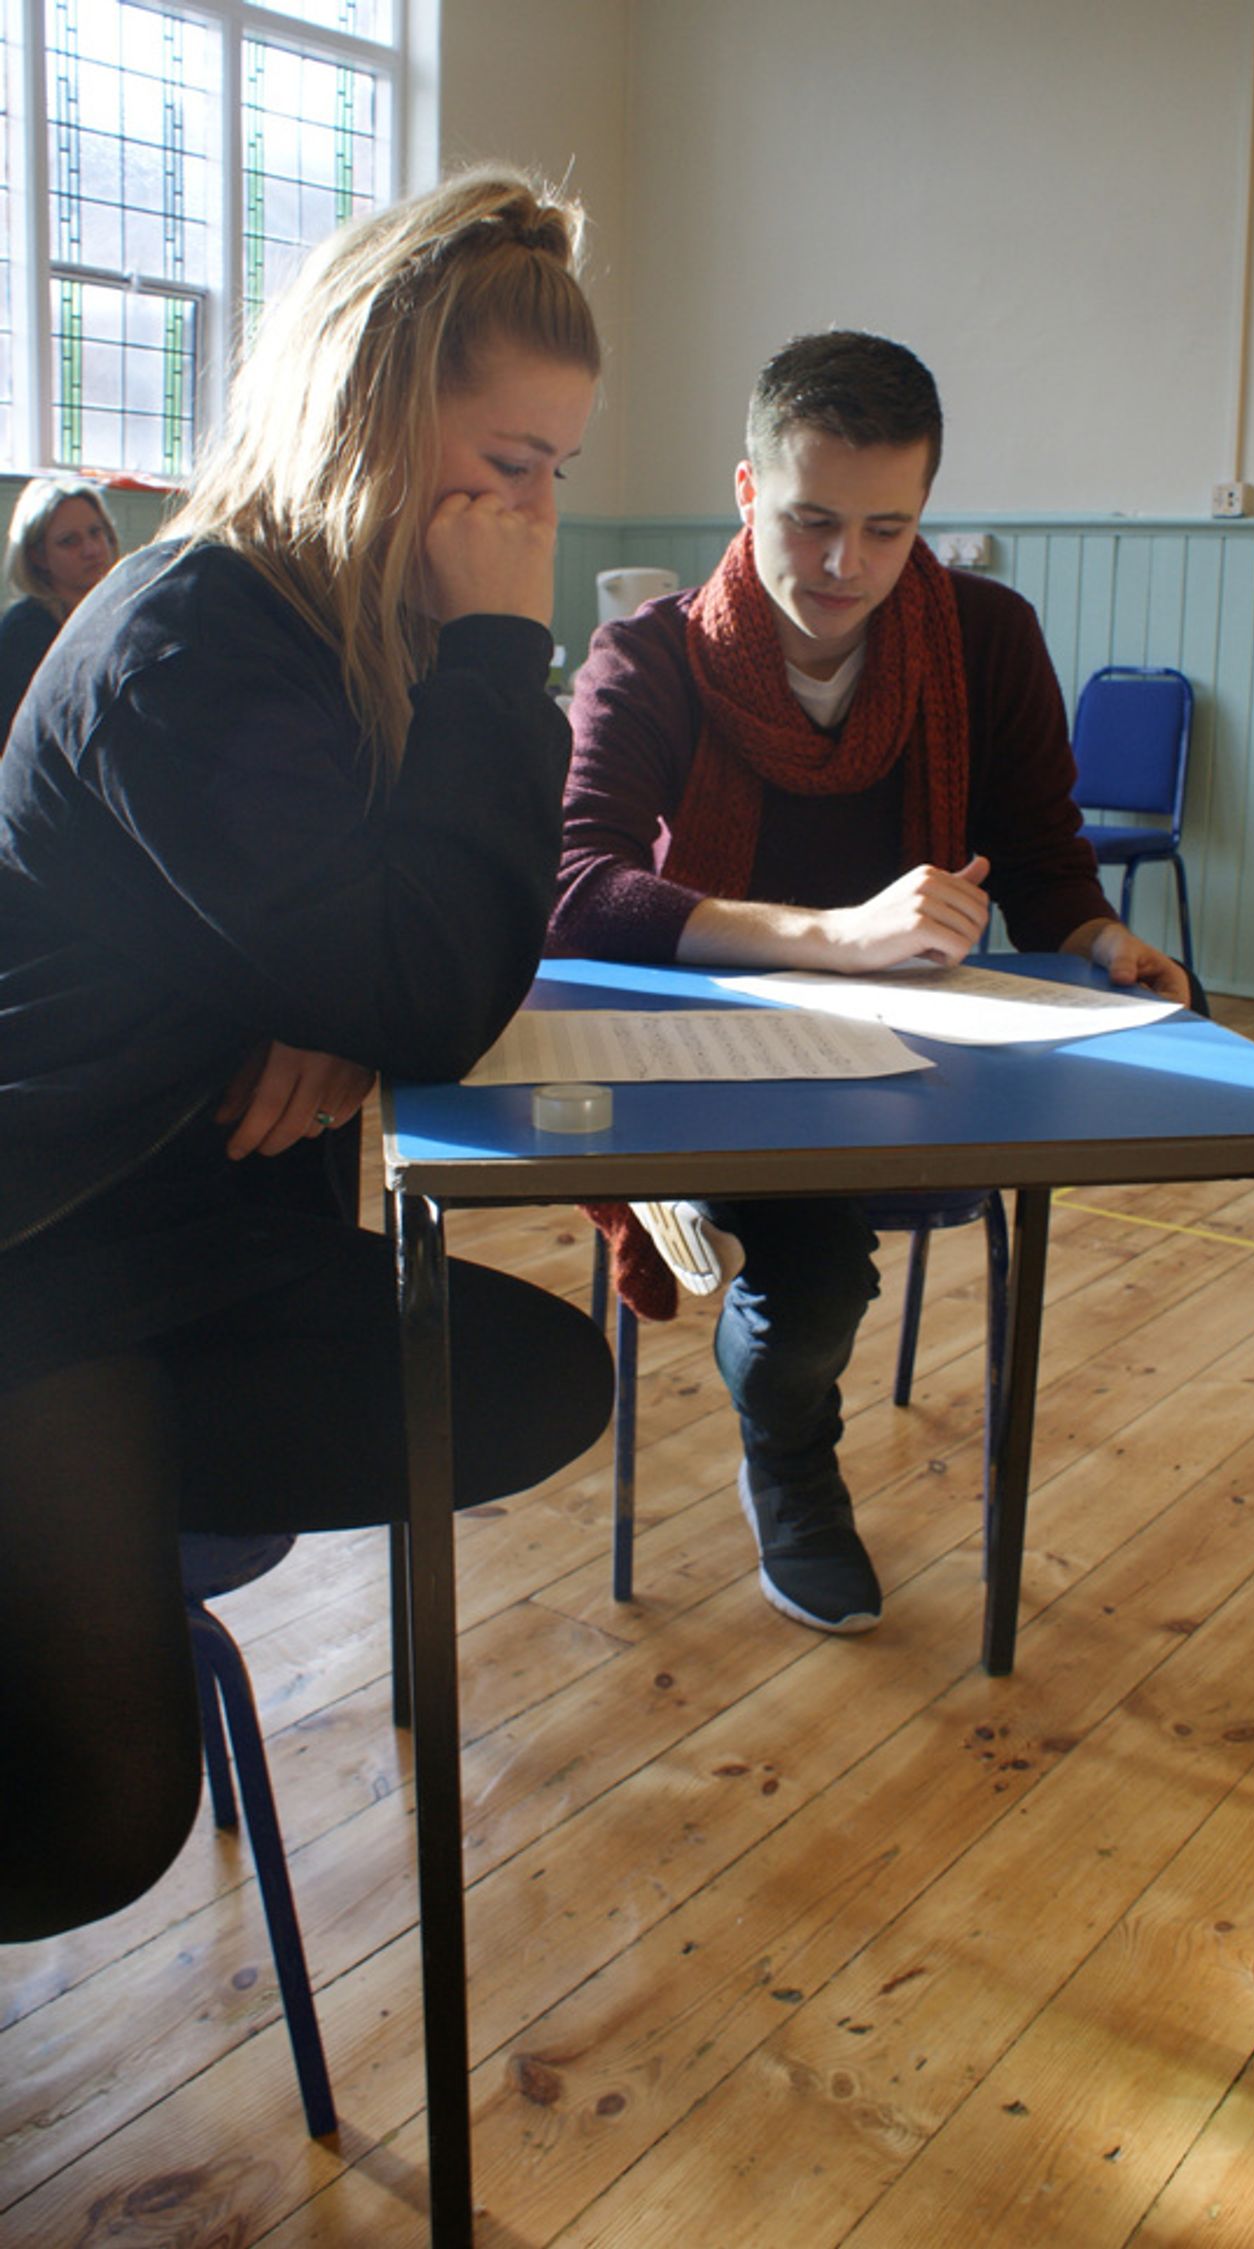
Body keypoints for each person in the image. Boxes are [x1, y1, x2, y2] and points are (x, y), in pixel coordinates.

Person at [0, 165, 615, 1942]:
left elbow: (409, 950)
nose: (537, 510)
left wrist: (338, 1000)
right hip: (43, 1251)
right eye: (511, 462)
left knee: (522, 1377)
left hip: (193, 1236)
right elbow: (428, 972)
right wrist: (511, 651)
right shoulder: (190, 633)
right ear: (370, 407)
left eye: (561, 467)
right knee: (105, 1816)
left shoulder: (333, 633)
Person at [550, 329, 1192, 1639]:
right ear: (745, 493)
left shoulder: (987, 640)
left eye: (889, 530)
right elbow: (576, 890)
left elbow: (1043, 851)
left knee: (848, 1227)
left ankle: (782, 1403)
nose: (846, 566)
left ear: (924, 517)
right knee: (817, 1274)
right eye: (811, 520)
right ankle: (791, 1459)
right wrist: (834, 936)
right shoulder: (649, 656)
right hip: (717, 1070)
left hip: (922, 1062)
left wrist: (1094, 940)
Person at [0, 474, 121, 742]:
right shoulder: (25, 631)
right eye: (69, 541)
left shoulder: (120, 610)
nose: (91, 550)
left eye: (95, 532)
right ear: (38, 556)